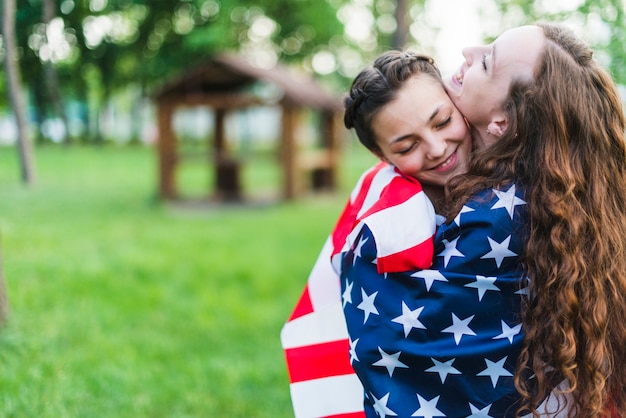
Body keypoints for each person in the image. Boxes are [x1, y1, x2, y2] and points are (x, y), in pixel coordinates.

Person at [442, 22, 626, 417]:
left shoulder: (496, 220)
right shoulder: (568, 202)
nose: (468, 51)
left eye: (488, 62)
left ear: (502, 123)